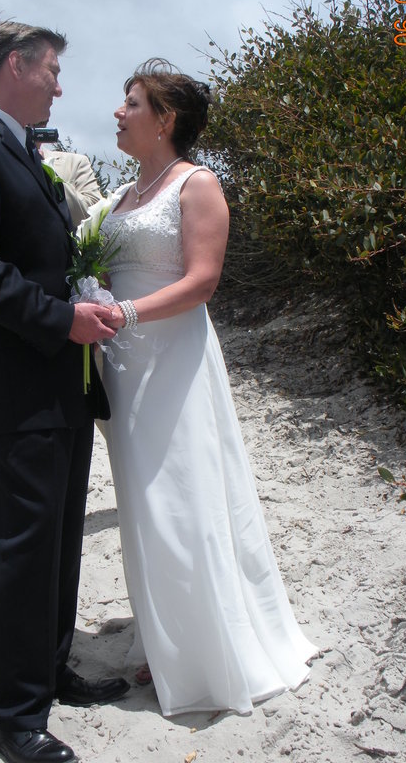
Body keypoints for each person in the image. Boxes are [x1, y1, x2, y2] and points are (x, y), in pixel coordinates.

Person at [0, 19, 128, 763]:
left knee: (59, 544)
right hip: (15, 390)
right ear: (16, 64)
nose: (59, 88)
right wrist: (62, 319)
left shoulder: (20, 149)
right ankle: (11, 716)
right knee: (19, 554)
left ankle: (48, 671)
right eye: (52, 72)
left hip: (59, 384)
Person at [99, 59, 318, 716]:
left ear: (165, 119)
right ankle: (166, 641)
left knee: (183, 499)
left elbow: (202, 281)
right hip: (123, 368)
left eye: (132, 102)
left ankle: (206, 652)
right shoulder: (125, 193)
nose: (118, 113)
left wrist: (126, 313)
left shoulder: (197, 184)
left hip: (173, 362)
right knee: (143, 505)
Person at [0, 144, 103, 564]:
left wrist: (45, 172)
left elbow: (90, 213)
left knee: (108, 415)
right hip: (25, 309)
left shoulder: (73, 163)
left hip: (84, 302)